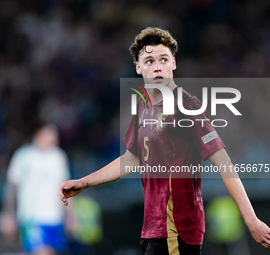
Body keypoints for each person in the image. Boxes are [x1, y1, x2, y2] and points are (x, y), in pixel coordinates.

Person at [58, 27, 270, 255]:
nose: (157, 66)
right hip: (153, 228)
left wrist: (251, 219)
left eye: (163, 59)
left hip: (177, 227)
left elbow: (223, 162)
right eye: (149, 61)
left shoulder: (186, 105)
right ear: (138, 68)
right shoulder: (143, 108)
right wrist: (85, 182)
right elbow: (131, 159)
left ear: (174, 63)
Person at [2, 123, 70, 255]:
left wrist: (70, 215)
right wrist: (8, 214)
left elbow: (65, 188)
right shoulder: (23, 156)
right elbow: (11, 187)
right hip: (32, 216)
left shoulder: (58, 157)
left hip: (55, 217)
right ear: (39, 135)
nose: (54, 139)